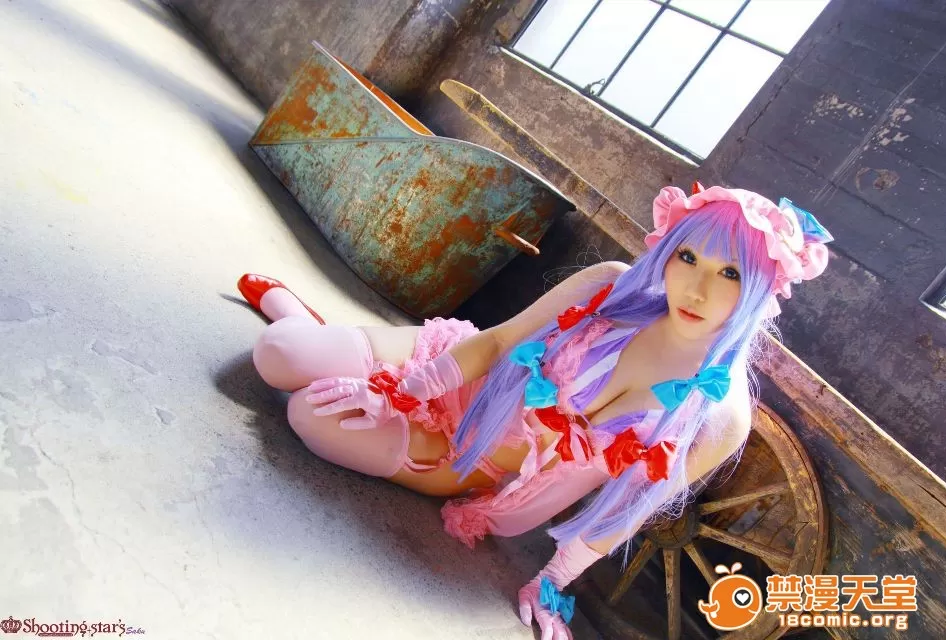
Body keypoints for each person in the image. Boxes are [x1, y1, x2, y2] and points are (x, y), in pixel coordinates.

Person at [239, 183, 833, 640]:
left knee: (309, 417)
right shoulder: (610, 289)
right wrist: (398, 394)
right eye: (688, 257)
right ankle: (302, 322)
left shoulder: (719, 415)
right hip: (452, 375)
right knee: (279, 355)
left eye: (730, 273)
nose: (697, 289)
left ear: (762, 287)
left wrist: (551, 582)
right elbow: (497, 342)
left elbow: (628, 508)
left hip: (469, 461)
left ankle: (323, 343)